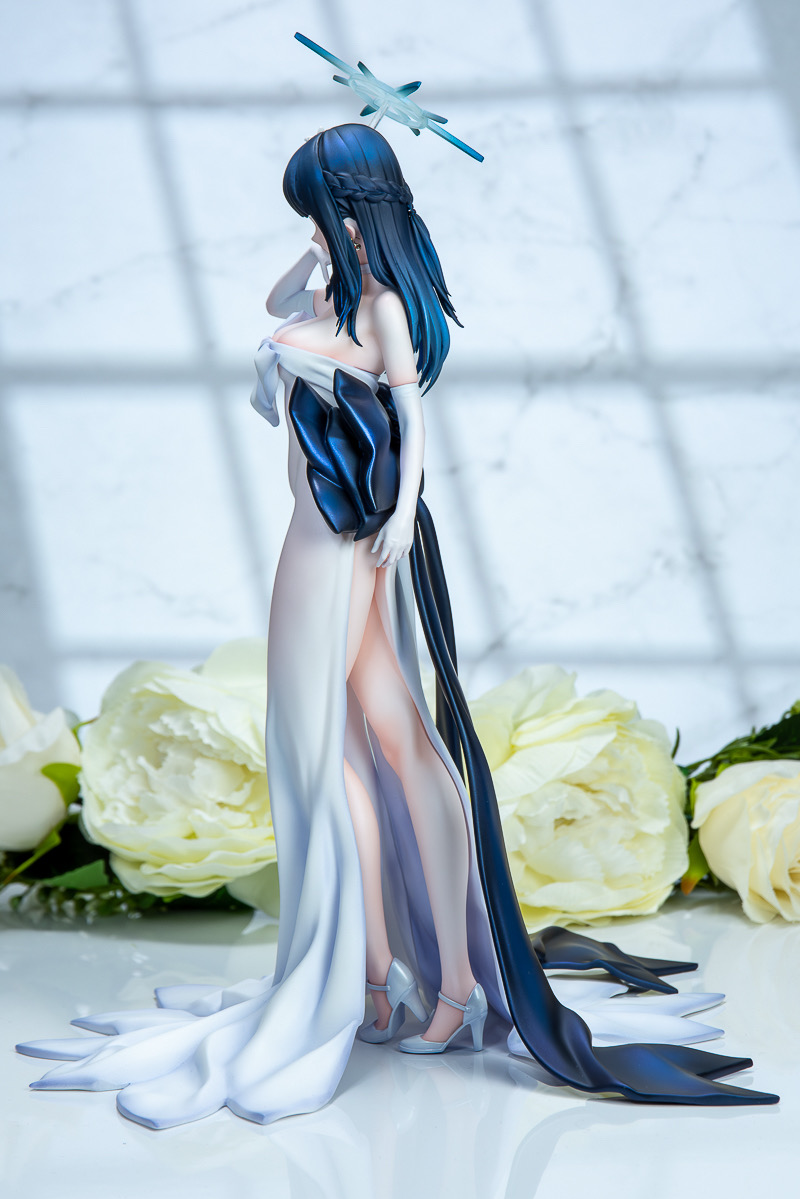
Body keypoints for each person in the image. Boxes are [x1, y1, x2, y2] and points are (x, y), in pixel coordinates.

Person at [15, 124, 777, 1126]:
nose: (313, 231)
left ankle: (435, 977)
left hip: (345, 539)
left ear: (356, 203)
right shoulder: (339, 286)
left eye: (321, 208)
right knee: (361, 743)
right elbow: (276, 307)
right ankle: (381, 975)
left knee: (355, 746)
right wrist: (321, 245)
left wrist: (401, 512)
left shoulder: (379, 308)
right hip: (317, 537)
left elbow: (411, 420)